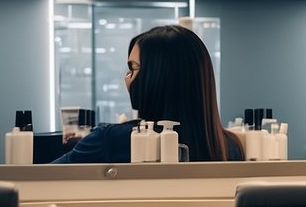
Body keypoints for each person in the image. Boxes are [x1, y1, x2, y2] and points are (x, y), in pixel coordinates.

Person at [54, 24, 243, 163]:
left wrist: (89, 145)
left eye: (133, 69)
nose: (127, 78)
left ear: (157, 77)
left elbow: (44, 181)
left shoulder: (110, 139)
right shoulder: (229, 146)